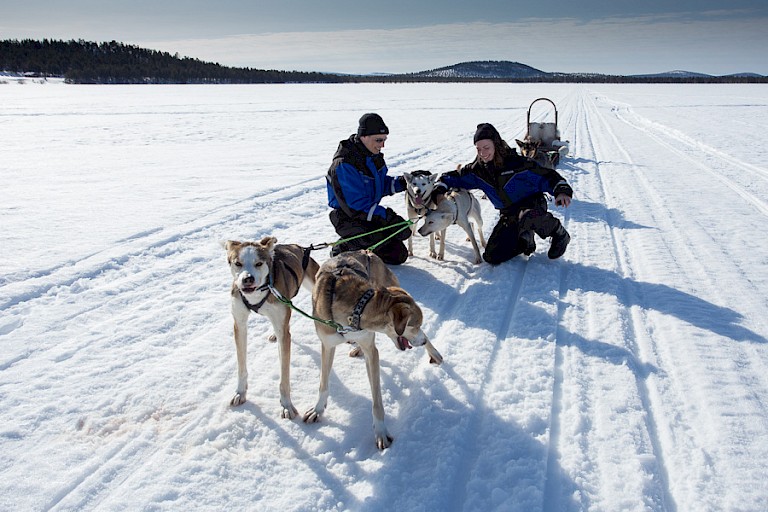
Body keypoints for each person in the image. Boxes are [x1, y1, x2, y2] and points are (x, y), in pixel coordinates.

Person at [433, 122, 573, 264]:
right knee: (492, 256)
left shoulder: (517, 163)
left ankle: (558, 233)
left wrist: (561, 190)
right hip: (509, 213)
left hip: (532, 205)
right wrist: (439, 189)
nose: (482, 153)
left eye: (486, 147)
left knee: (528, 216)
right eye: (478, 149)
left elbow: (547, 176)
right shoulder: (478, 171)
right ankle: (525, 240)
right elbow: (453, 177)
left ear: (496, 144)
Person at [326, 113, 411, 265]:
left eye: (384, 140)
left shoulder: (373, 157)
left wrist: (404, 183)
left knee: (398, 255)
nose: (382, 145)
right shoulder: (345, 164)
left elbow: (380, 185)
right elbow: (356, 205)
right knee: (372, 239)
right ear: (364, 136)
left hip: (369, 215)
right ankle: (343, 247)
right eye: (378, 140)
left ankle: (365, 247)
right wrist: (388, 217)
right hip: (348, 217)